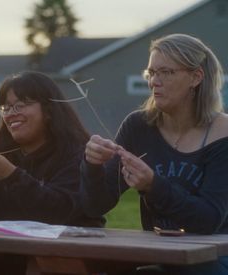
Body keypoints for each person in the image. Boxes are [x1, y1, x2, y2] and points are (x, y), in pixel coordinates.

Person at [80, 33, 228, 274]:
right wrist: (92, 165)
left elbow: (209, 220)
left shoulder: (222, 133)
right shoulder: (138, 126)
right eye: (151, 73)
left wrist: (153, 186)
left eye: (166, 73)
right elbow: (95, 206)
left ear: (196, 77)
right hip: (161, 254)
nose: (154, 82)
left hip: (216, 257)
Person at [0, 71, 104, 274]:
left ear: (48, 110)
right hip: (12, 254)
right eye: (6, 107)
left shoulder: (77, 154)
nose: (11, 113)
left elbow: (60, 212)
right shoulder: (2, 152)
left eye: (21, 105)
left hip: (66, 255)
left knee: (39, 264)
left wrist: (11, 175)